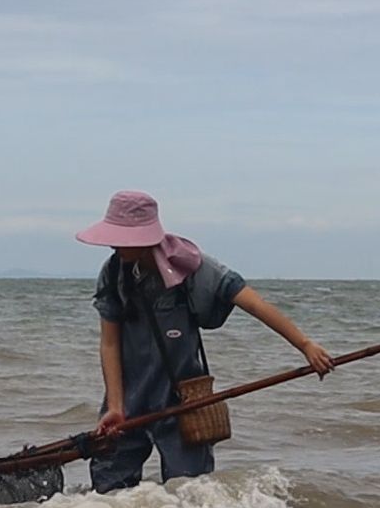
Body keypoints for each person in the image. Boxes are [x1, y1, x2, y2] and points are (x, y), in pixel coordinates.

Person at [76, 190, 334, 492]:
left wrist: (305, 345)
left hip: (182, 401)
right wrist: (116, 405)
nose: (114, 244)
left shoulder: (192, 266)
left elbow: (252, 303)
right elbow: (109, 344)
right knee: (108, 493)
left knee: (189, 494)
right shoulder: (113, 271)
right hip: (128, 404)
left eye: (122, 238)